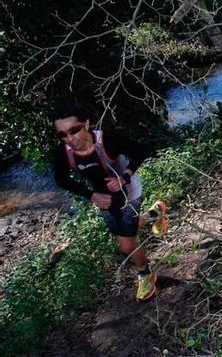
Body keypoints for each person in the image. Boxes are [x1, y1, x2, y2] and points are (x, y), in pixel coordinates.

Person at [51, 105, 168, 301]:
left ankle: (146, 274)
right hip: (103, 199)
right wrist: (91, 195)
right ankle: (155, 214)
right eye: (63, 134)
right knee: (125, 229)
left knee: (126, 245)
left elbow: (141, 151)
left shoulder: (108, 140)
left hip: (129, 191)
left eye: (74, 130)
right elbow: (62, 180)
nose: (70, 139)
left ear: (86, 124)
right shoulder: (64, 153)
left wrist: (124, 177)